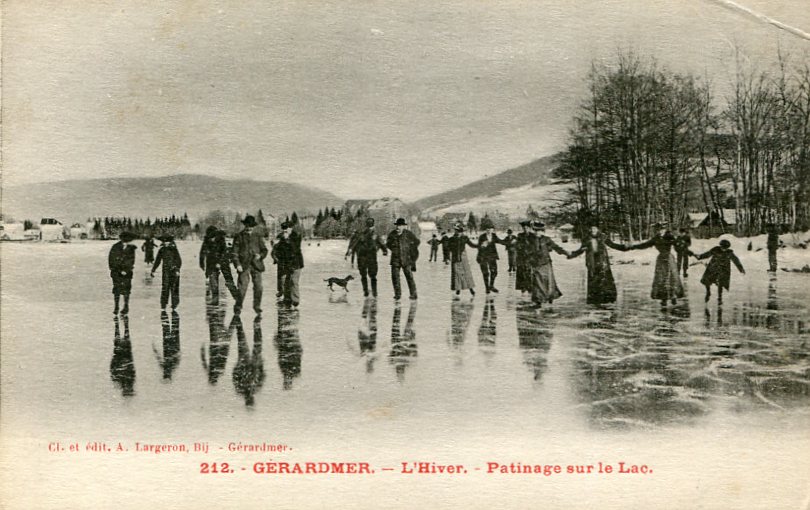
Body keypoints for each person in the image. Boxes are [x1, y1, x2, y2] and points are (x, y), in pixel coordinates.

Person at [622, 222, 684, 306]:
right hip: (661, 259)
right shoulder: (656, 238)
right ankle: (663, 297)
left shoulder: (669, 236)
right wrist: (633, 247)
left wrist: (680, 244)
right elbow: (645, 245)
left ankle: (673, 296)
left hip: (669, 259)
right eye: (659, 229)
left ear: (665, 229)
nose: (660, 231)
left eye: (662, 229)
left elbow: (678, 245)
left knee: (671, 277)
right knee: (661, 278)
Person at [567, 225, 624, 305]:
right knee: (593, 279)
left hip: (602, 260)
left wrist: (624, 247)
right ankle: (594, 299)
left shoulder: (603, 237)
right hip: (592, 261)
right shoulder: (586, 238)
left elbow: (613, 245)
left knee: (604, 279)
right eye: (592, 228)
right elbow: (581, 250)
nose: (593, 230)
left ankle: (608, 298)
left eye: (595, 228)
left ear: (598, 229)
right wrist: (572, 255)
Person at [528, 221, 570, 308]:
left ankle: (550, 297)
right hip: (535, 264)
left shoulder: (546, 239)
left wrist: (565, 253)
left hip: (546, 263)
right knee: (537, 282)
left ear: (542, 231)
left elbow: (556, 247)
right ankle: (538, 300)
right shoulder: (530, 240)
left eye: (539, 230)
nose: (537, 232)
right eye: (536, 230)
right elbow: (525, 250)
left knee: (549, 281)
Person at [231, 215, 268, 314]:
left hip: (256, 265)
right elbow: (234, 252)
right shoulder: (239, 236)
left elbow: (264, 250)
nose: (249, 228)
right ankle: (238, 306)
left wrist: (260, 256)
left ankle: (257, 306)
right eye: (248, 226)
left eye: (251, 226)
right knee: (242, 287)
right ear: (245, 225)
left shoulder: (258, 236)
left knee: (259, 287)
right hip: (244, 265)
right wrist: (237, 264)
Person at [345, 217, 387, 297]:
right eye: (369, 225)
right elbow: (381, 243)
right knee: (367, 275)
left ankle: (371, 292)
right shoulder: (366, 234)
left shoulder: (370, 234)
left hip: (368, 257)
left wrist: (384, 250)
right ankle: (369, 292)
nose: (370, 227)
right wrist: (384, 250)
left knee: (369, 275)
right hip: (365, 257)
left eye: (370, 225)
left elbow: (381, 243)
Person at [693, 239, 745, 304]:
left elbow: (736, 260)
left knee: (721, 283)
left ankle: (720, 298)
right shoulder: (715, 250)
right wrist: (700, 257)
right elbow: (707, 254)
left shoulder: (729, 253)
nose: (724, 249)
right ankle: (708, 292)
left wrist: (741, 268)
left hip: (723, 270)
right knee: (707, 280)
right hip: (712, 268)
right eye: (723, 247)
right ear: (720, 246)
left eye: (725, 248)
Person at [199, 226, 238, 303]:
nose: (211, 239)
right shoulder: (206, 240)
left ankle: (237, 298)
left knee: (229, 281)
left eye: (213, 237)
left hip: (223, 262)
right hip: (211, 263)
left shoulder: (221, 240)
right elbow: (202, 252)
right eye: (210, 238)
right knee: (213, 282)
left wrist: (219, 263)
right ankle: (215, 299)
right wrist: (201, 263)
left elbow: (224, 253)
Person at [385, 218, 420, 300]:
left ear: (404, 226)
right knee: (395, 277)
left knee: (409, 277)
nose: (398, 227)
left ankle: (413, 294)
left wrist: (410, 248)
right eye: (397, 225)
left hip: (406, 259)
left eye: (400, 226)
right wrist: (394, 250)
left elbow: (417, 242)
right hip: (395, 259)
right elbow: (388, 244)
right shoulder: (392, 234)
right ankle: (397, 294)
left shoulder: (408, 234)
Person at [272, 222, 304, 307]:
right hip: (285, 263)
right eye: (283, 229)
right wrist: (275, 248)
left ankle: (295, 301)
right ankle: (287, 299)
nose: (284, 231)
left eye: (286, 229)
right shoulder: (282, 237)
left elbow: (295, 249)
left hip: (295, 263)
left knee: (293, 281)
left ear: (291, 228)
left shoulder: (296, 236)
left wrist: (287, 240)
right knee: (284, 281)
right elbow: (278, 248)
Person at [108, 231, 138, 315]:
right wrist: (118, 270)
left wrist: (126, 270)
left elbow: (131, 260)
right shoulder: (115, 247)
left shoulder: (131, 248)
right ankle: (116, 307)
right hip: (116, 272)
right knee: (116, 290)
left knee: (127, 290)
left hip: (127, 273)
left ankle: (126, 306)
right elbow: (111, 259)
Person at [476, 218, 507, 294]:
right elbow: (478, 247)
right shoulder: (482, 237)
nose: (489, 230)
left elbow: (501, 241)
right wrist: (482, 246)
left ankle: (491, 285)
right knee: (486, 273)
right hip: (483, 257)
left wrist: (510, 241)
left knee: (494, 272)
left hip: (492, 256)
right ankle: (487, 288)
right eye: (487, 229)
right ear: (485, 230)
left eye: (490, 229)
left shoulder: (494, 236)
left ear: (492, 230)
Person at [151, 235, 182, 310]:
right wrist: (153, 270)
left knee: (174, 288)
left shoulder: (174, 249)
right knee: (165, 287)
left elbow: (179, 260)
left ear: (170, 242)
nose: (166, 243)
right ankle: (163, 304)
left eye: (167, 242)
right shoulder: (162, 250)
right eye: (164, 242)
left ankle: (174, 304)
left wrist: (177, 269)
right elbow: (157, 260)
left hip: (174, 271)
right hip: (166, 271)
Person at [447, 223, 477, 298]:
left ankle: (471, 290)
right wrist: (447, 258)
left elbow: (472, 245)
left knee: (466, 274)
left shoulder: (464, 238)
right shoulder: (451, 239)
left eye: (459, 231)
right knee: (457, 274)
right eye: (456, 231)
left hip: (463, 258)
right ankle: (458, 290)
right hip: (455, 258)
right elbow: (448, 249)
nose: (457, 232)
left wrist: (480, 245)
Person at [514, 221, 534, 294]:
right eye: (524, 228)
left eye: (527, 228)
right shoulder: (520, 235)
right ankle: (523, 287)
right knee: (522, 272)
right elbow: (517, 245)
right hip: (521, 257)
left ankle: (530, 287)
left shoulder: (533, 236)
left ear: (529, 228)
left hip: (530, 257)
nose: (525, 229)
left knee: (530, 272)